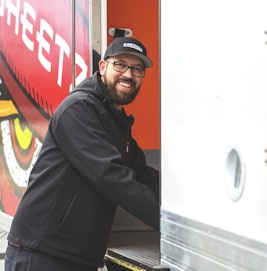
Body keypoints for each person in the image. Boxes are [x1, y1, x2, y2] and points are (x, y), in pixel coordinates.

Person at [4, 37, 160, 271]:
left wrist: (184, 208)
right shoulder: (79, 109)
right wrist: (168, 225)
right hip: (43, 254)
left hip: (76, 257)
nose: (128, 74)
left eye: (137, 69)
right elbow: (110, 176)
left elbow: (142, 175)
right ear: (103, 67)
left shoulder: (115, 121)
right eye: (120, 64)